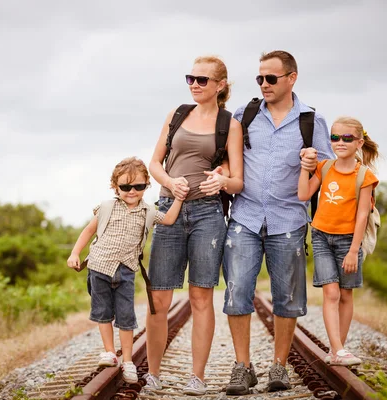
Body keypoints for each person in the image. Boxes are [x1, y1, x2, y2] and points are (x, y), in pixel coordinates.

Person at [222, 50, 335, 395]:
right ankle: (243, 367)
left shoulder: (310, 121)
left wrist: (312, 168)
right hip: (245, 216)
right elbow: (229, 157)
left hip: (288, 220)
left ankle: (279, 367)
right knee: (237, 292)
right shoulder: (245, 114)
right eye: (260, 78)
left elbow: (329, 167)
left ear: (291, 78)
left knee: (287, 297)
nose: (264, 84)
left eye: (271, 78)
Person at [144, 55, 244, 396]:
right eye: (191, 78)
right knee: (159, 299)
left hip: (207, 215)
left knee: (201, 297)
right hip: (168, 210)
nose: (195, 85)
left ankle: (197, 377)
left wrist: (222, 181)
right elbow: (154, 164)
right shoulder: (177, 114)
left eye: (202, 80)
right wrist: (171, 184)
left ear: (221, 85)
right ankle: (153, 374)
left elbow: (237, 180)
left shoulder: (229, 124)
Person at [67, 157, 183, 384]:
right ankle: (110, 353)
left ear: (146, 186)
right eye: (125, 187)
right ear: (115, 186)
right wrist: (74, 253)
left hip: (126, 270)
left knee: (126, 317)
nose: (131, 191)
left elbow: (169, 219)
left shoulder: (149, 212)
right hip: (99, 266)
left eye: (138, 187)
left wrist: (178, 197)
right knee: (102, 313)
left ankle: (128, 361)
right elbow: (88, 231)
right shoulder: (106, 207)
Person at [298, 117, 379, 366]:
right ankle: (339, 350)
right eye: (335, 137)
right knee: (330, 293)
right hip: (322, 236)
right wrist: (304, 167)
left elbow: (363, 215)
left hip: (348, 242)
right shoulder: (324, 168)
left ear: (359, 143)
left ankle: (337, 350)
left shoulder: (365, 176)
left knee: (345, 295)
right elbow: (303, 194)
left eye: (346, 138)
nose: (339, 142)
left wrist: (354, 251)